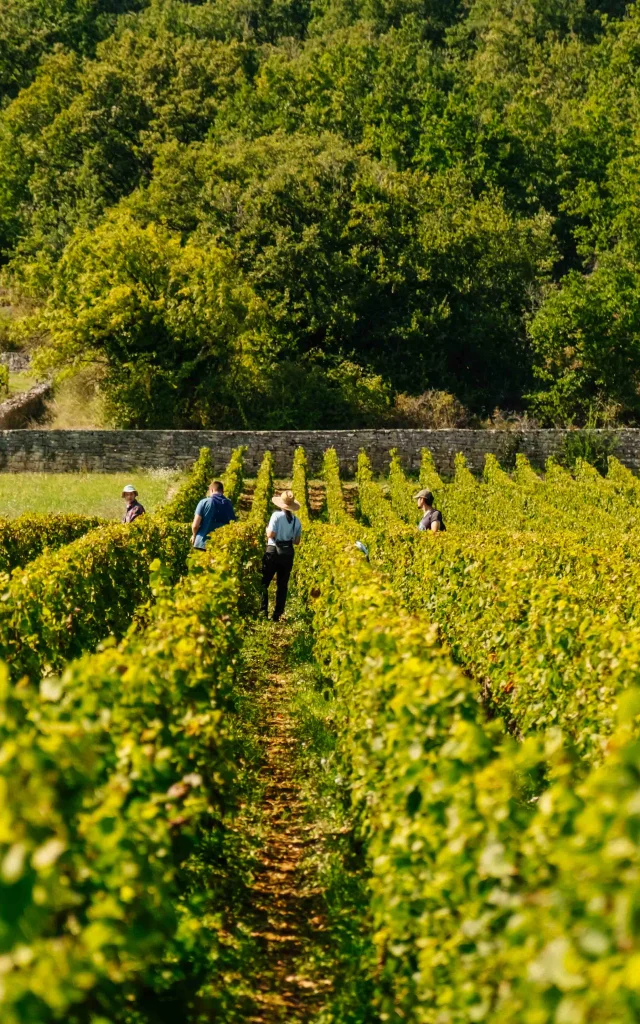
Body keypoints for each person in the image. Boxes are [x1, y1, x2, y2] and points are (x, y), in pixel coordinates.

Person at [261, 490, 302, 622]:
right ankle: (277, 615)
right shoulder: (296, 521)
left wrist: (267, 529)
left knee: (264, 582)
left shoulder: (276, 516)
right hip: (287, 554)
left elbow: (270, 534)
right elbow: (296, 541)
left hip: (273, 550)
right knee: (282, 585)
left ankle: (263, 612)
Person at [192, 480, 237, 550]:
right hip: (221, 544)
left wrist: (194, 536)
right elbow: (233, 523)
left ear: (212, 490)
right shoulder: (229, 504)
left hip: (202, 543)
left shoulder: (204, 502)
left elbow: (195, 526)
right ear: (222, 491)